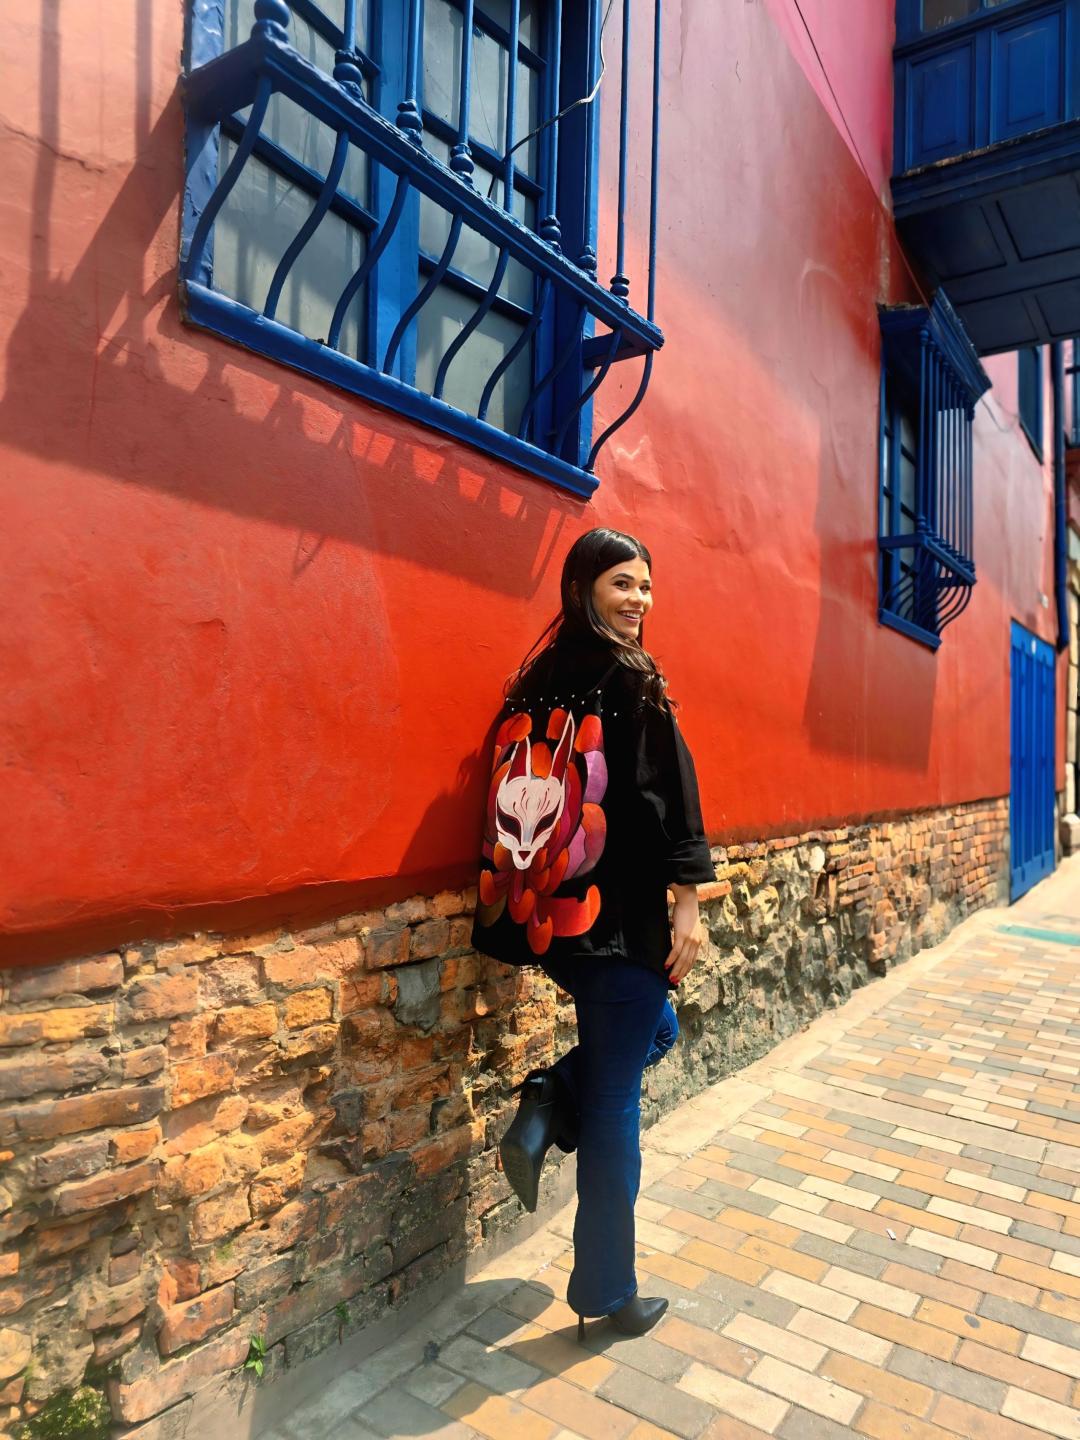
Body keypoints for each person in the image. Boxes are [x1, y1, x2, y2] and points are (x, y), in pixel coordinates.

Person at [471, 527, 714, 1342]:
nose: (640, 599)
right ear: (584, 589)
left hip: (554, 921)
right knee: (615, 1107)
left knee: (656, 1033)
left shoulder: (535, 679)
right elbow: (667, 798)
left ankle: (550, 1098)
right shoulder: (630, 677)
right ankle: (608, 1292)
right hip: (619, 926)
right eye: (623, 584)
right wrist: (688, 904)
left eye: (646, 585)